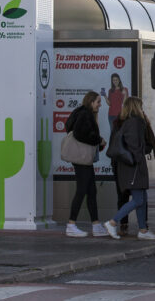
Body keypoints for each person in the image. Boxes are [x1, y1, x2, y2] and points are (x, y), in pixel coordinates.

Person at [103, 97, 155, 240]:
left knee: (141, 198)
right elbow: (135, 146)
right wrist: (139, 158)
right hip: (134, 167)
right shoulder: (135, 122)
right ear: (136, 107)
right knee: (138, 200)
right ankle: (112, 222)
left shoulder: (126, 122)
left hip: (129, 166)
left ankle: (143, 230)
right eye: (141, 106)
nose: (142, 109)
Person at [64, 91, 108, 238]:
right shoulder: (85, 114)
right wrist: (98, 140)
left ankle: (96, 225)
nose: (100, 105)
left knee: (91, 191)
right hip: (82, 160)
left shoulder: (81, 112)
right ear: (91, 102)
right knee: (82, 190)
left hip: (83, 160)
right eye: (98, 102)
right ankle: (71, 224)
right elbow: (80, 133)